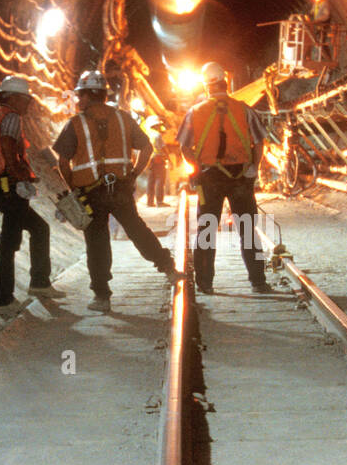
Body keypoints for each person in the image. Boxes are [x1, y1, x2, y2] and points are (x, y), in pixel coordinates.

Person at [54, 70, 182, 313]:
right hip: (120, 188)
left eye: (80, 95)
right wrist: (133, 174)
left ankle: (102, 297)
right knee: (137, 229)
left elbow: (62, 162)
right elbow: (146, 148)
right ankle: (169, 269)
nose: (78, 100)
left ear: (89, 96)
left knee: (97, 242)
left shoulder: (76, 123)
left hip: (89, 193)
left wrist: (73, 190)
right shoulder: (124, 119)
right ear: (103, 94)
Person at [0, 76, 64, 317]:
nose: (28, 105)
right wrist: (20, 177)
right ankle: (3, 299)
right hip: (9, 186)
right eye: (25, 99)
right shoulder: (10, 117)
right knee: (9, 242)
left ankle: (39, 283)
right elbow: (8, 148)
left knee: (38, 229)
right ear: (12, 98)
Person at [179, 61, 274, 296]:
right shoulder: (244, 109)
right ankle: (258, 282)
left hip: (209, 178)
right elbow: (260, 141)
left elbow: (184, 146)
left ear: (206, 86)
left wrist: (196, 166)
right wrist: (254, 166)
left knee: (207, 229)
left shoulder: (195, 112)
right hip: (241, 176)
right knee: (248, 230)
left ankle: (205, 283)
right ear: (226, 81)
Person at [144, 117, 168, 207]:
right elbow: (163, 148)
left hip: (149, 160)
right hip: (158, 159)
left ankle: (149, 202)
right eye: (158, 125)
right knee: (159, 180)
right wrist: (168, 158)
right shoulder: (157, 135)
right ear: (156, 125)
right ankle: (159, 202)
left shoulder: (146, 134)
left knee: (150, 180)